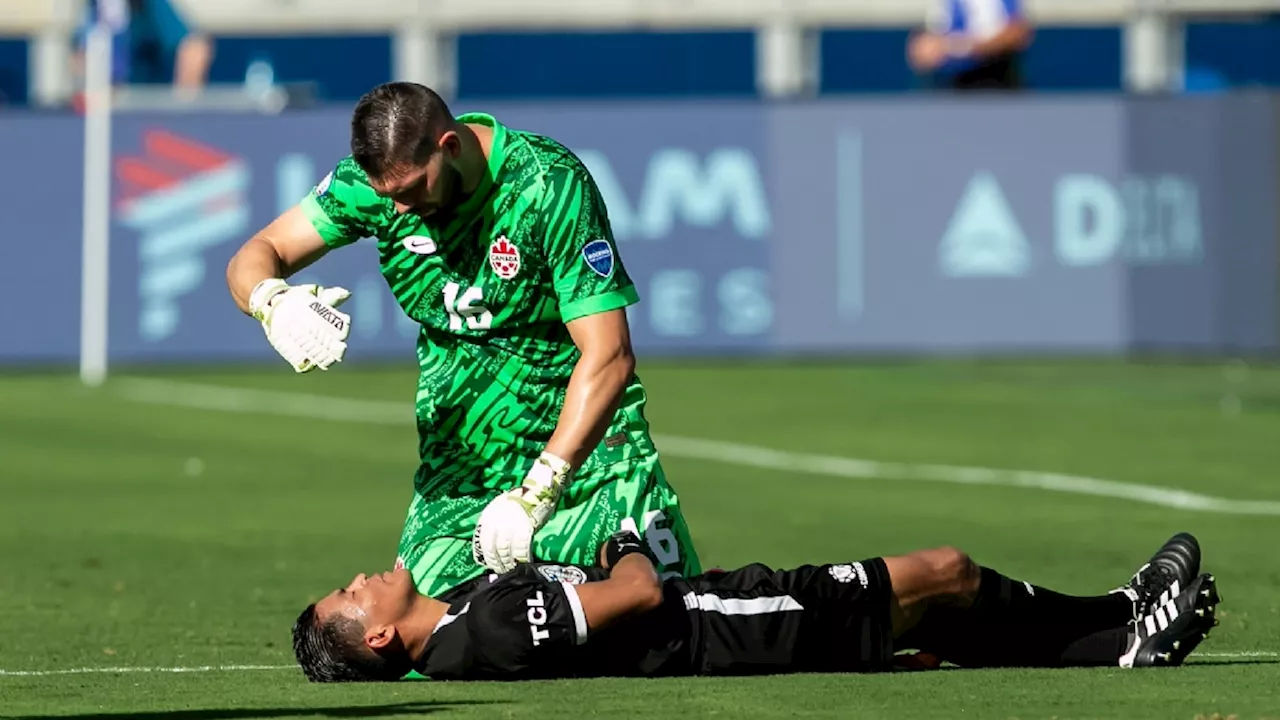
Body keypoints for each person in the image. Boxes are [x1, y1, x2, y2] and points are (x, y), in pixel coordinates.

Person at [225, 82, 701, 600]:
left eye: (411, 189)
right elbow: (261, 250)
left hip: (586, 456)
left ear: (449, 146)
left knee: (670, 619)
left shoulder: (548, 185)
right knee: (420, 638)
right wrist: (271, 300)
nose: (400, 209)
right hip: (461, 466)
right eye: (389, 196)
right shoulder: (375, 189)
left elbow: (608, 354)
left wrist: (542, 487)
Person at [292, 532, 1219, 682]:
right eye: (350, 595)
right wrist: (623, 538)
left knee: (936, 614)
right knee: (943, 572)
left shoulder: (464, 614)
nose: (361, 576)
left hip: (725, 616)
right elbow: (638, 593)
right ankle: (1119, 617)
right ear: (375, 634)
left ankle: (1121, 627)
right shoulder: (485, 631)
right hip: (729, 625)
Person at [73, 0, 213, 94]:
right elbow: (78, 60)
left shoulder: (149, 5)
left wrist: (183, 109)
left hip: (141, 119)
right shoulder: (89, 8)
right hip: (100, 116)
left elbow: (194, 49)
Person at [907, 0, 1034, 91]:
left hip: (993, 84)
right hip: (949, 87)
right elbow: (927, 45)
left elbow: (1017, 32)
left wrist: (960, 46)